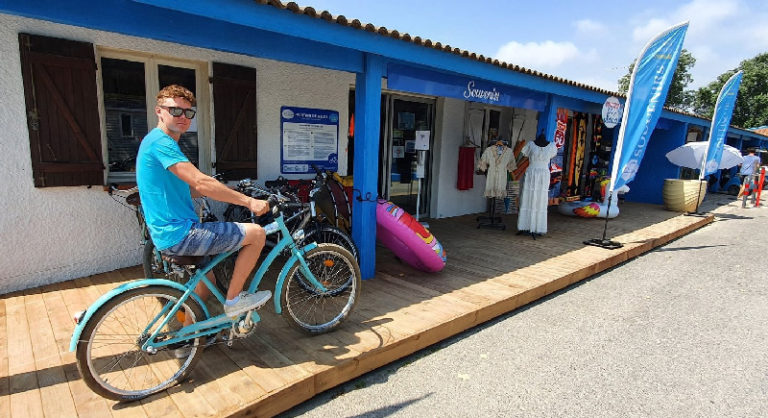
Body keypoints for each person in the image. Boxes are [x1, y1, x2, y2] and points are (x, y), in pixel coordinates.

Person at [136, 85, 271, 332]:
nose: (182, 116)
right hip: (180, 234)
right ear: (159, 111)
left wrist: (227, 190)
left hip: (169, 234)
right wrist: (248, 201)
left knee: (206, 282)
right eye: (175, 110)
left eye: (188, 112)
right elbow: (200, 182)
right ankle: (234, 302)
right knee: (257, 234)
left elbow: (190, 190)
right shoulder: (161, 143)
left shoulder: (158, 143)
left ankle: (189, 334)